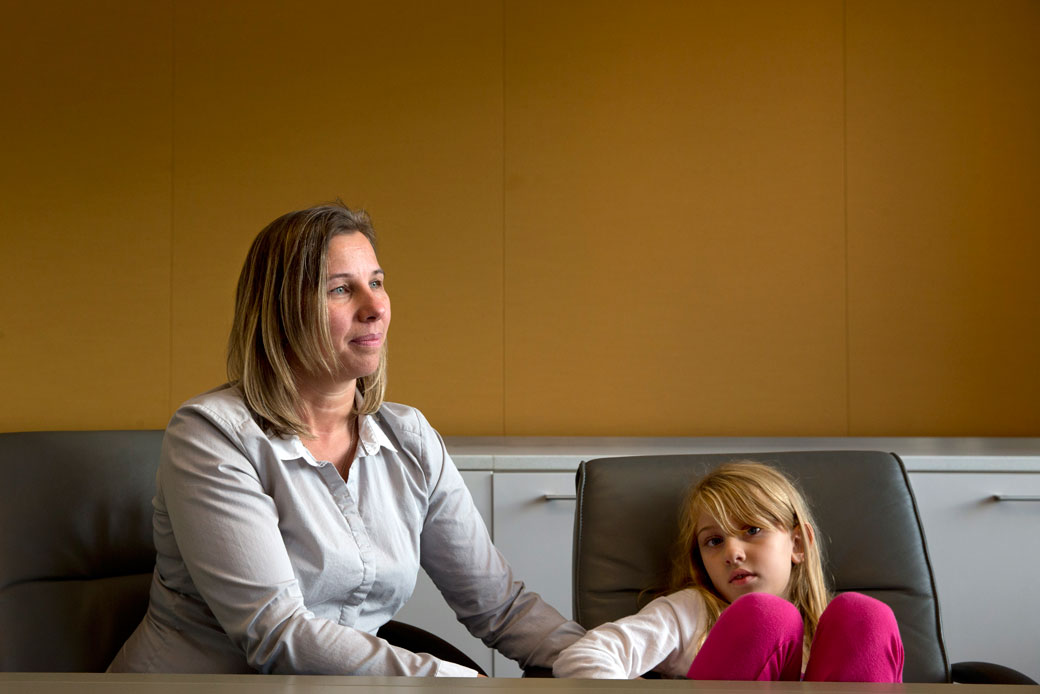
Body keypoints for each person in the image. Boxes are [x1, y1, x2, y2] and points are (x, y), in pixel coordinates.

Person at [108, 202, 584, 676]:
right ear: (282, 311)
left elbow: (498, 605)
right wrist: (456, 682)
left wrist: (610, 662)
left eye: (376, 282)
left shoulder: (409, 438)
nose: (375, 307)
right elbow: (277, 634)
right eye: (341, 290)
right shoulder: (212, 435)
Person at [552, 461, 904, 681]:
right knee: (765, 617)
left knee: (865, 616)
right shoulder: (690, 611)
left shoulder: (831, 629)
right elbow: (583, 657)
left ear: (798, 544)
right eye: (714, 541)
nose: (732, 553)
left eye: (752, 531)